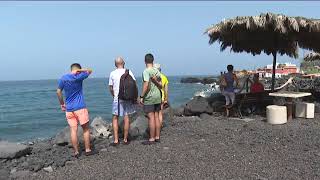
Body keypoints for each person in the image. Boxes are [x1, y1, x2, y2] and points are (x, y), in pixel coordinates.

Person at [56, 63, 96, 157]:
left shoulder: (63, 78)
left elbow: (58, 91)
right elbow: (90, 70)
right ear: (78, 69)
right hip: (80, 107)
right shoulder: (79, 76)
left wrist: (62, 104)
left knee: (73, 130)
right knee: (86, 129)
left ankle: (76, 152)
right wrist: (80, 71)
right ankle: (87, 150)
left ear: (71, 69)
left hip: (69, 109)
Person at [108, 57, 137, 146]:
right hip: (128, 98)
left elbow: (110, 87)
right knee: (126, 117)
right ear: (123, 63)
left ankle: (116, 140)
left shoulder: (112, 73)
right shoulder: (129, 72)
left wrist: (114, 96)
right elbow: (134, 85)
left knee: (115, 118)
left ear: (115, 64)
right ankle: (125, 139)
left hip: (117, 98)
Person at [139, 53, 162, 145]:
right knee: (156, 116)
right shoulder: (157, 71)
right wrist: (155, 81)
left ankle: (151, 138)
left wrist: (142, 96)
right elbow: (161, 85)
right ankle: (157, 137)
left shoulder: (146, 71)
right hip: (158, 96)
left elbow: (146, 85)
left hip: (150, 97)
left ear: (145, 61)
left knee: (151, 117)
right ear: (153, 60)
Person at [154, 63, 169, 128]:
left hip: (153, 97)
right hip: (161, 97)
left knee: (154, 114)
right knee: (160, 113)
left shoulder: (152, 77)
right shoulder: (164, 77)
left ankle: (154, 128)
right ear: (160, 69)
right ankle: (159, 127)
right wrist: (166, 99)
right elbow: (166, 90)